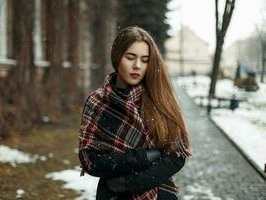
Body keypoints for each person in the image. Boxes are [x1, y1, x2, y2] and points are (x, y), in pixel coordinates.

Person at [78, 26, 191, 200]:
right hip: (112, 195)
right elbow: (90, 161)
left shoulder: (159, 99)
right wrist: (142, 157)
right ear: (117, 58)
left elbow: (177, 156)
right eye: (130, 57)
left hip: (157, 193)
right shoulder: (97, 102)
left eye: (145, 60)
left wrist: (129, 182)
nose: (137, 66)